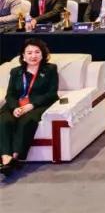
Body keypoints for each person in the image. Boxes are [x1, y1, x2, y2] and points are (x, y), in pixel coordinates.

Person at [0, 39, 59, 178]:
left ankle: (16, 156)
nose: (33, 56)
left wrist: (31, 105)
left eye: (37, 52)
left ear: (43, 54)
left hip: (38, 104)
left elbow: (52, 93)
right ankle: (6, 158)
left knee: (26, 121)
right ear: (23, 55)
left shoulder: (50, 69)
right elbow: (10, 94)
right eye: (29, 53)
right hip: (16, 105)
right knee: (4, 121)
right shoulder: (16, 72)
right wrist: (14, 108)